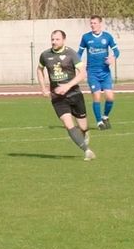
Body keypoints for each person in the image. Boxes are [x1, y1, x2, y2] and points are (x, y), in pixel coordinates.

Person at [36, 30, 95, 160]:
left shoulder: (71, 54)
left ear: (64, 40)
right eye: (52, 39)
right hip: (58, 97)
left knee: (83, 126)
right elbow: (39, 69)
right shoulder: (45, 55)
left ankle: (85, 132)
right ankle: (87, 151)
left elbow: (82, 73)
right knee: (68, 124)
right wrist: (43, 87)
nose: (54, 42)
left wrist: (67, 86)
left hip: (74, 94)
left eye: (57, 39)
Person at [77, 16, 120, 129]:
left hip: (105, 72)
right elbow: (79, 53)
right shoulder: (86, 37)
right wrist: (77, 65)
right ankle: (99, 122)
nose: (93, 25)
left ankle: (105, 116)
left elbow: (116, 51)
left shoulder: (107, 37)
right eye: (91, 23)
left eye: (95, 23)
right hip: (92, 73)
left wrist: (113, 57)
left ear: (100, 23)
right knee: (96, 96)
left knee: (110, 97)